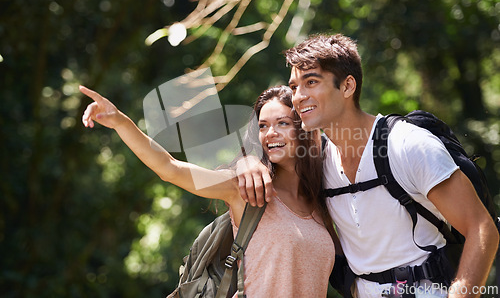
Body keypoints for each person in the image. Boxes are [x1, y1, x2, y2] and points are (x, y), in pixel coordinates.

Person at [237, 34, 499, 298]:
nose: (298, 97)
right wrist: (246, 163)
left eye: (311, 82)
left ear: (348, 86)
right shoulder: (319, 161)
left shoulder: (407, 145)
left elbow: (481, 228)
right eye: (294, 87)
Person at [79, 84, 335, 297]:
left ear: (304, 129)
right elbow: (170, 168)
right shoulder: (245, 190)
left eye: (282, 123)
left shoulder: (324, 201)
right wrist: (121, 122)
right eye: (262, 126)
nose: (270, 133)